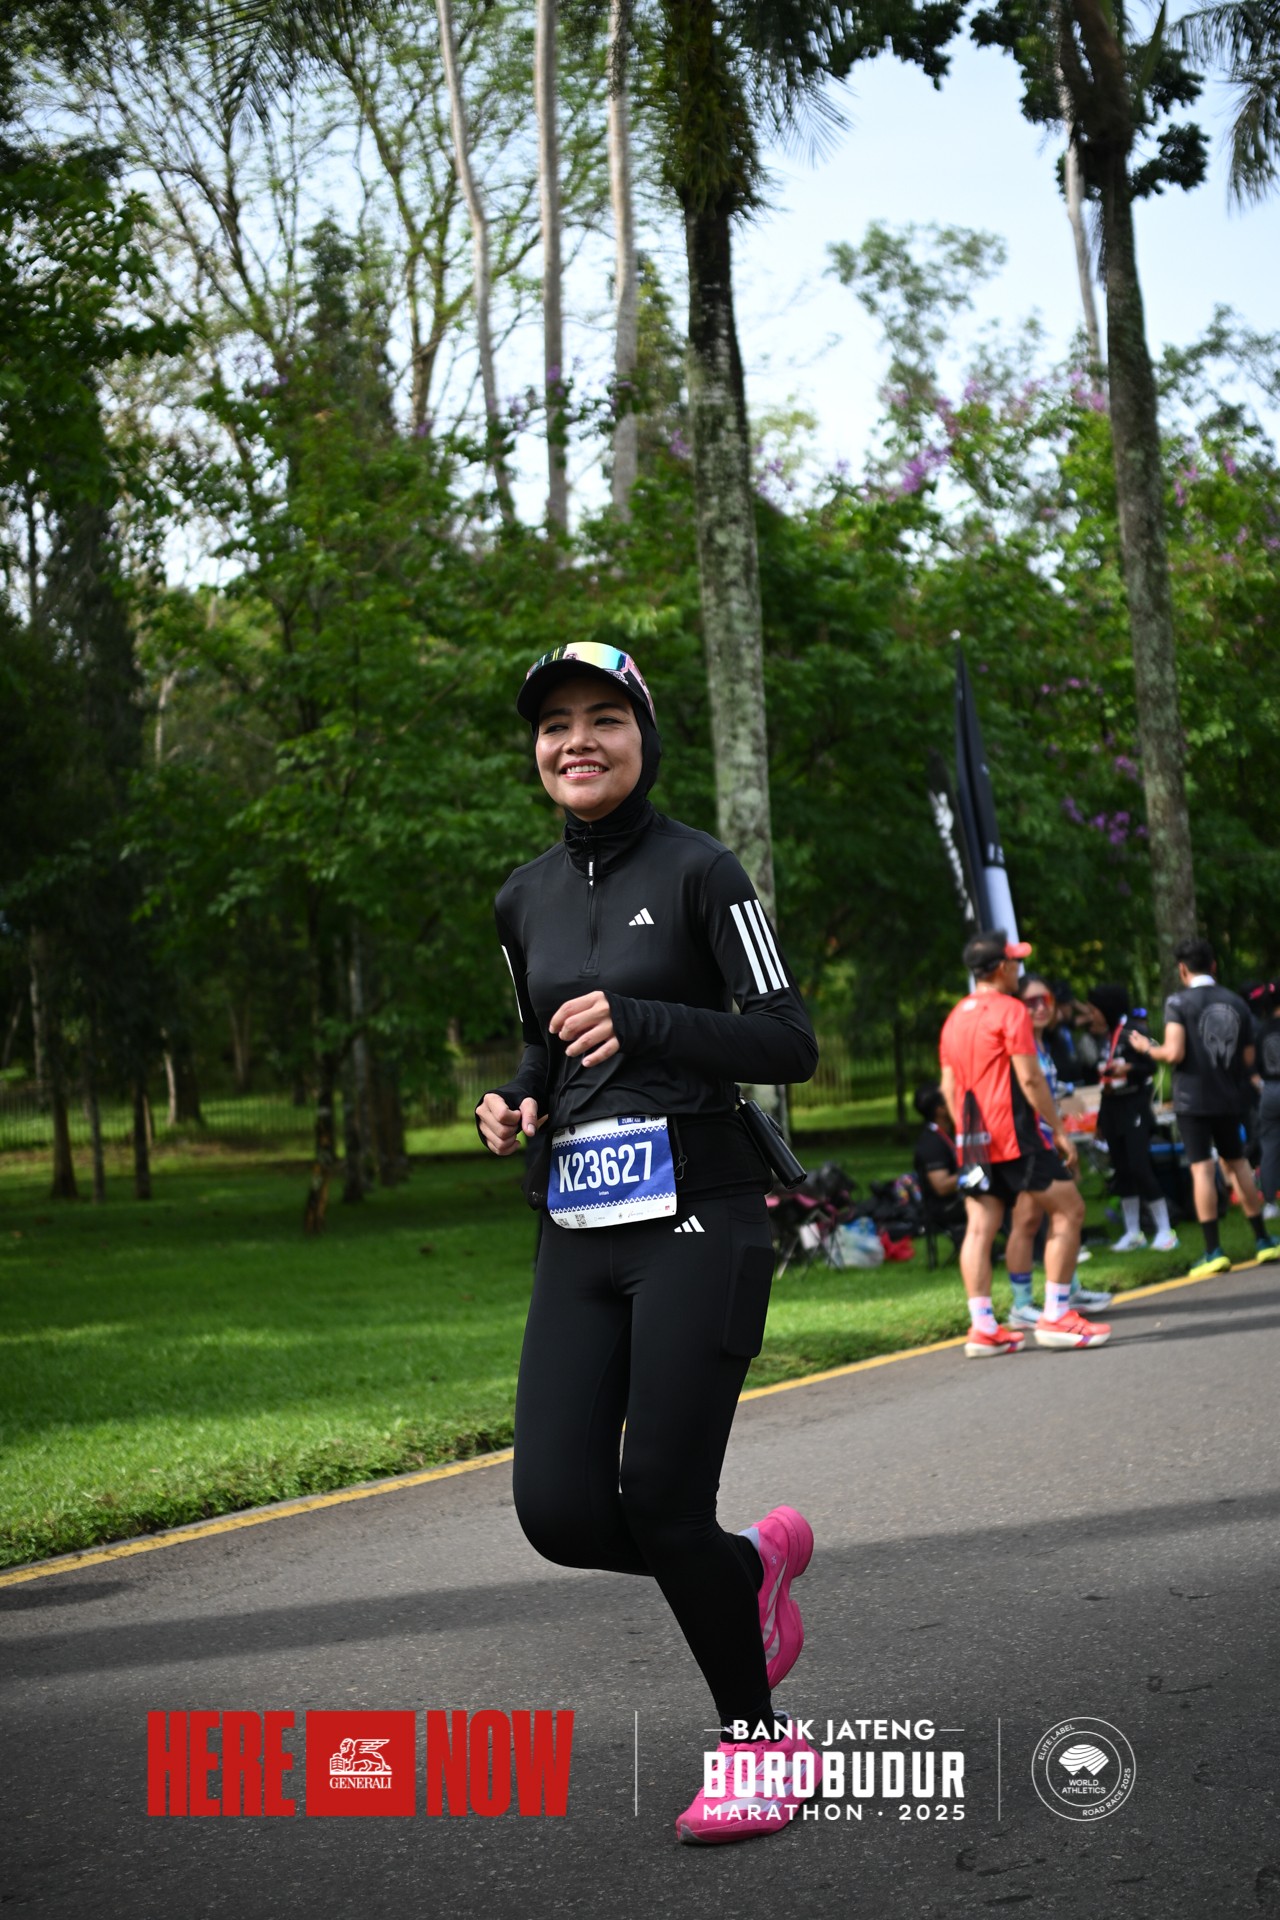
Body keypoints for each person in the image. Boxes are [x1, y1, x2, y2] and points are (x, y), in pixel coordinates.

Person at [474, 642, 821, 1846]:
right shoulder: (520, 897)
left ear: (643, 736)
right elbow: (541, 1042)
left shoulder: (701, 872)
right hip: (577, 1224)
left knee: (662, 1498)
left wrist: (647, 1020)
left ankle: (760, 1745)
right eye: (554, 724)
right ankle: (746, 1572)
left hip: (698, 1216)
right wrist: (512, 1099)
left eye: (603, 718)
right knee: (561, 1513)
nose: (576, 740)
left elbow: (787, 1042)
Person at [939, 930, 1110, 1356]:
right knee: (1070, 1209)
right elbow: (1031, 1079)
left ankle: (983, 1327)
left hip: (973, 1139)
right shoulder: (1011, 1010)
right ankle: (1056, 1314)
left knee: (980, 1227)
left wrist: (966, 1133)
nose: (1019, 968)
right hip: (1015, 1135)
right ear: (1001, 967)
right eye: (1015, 961)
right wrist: (1060, 1131)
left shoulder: (955, 1017)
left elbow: (948, 1088)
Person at [1127, 938, 1280, 1278]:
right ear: (1214, 966)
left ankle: (1213, 1250)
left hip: (1192, 1099)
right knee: (1237, 1162)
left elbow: (1174, 1053)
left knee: (1201, 1169)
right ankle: (1263, 1239)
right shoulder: (1235, 1001)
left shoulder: (1178, 1002)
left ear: (1182, 969)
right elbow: (1248, 1057)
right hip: (1229, 1095)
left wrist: (1146, 1048)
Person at [1009, 974, 1112, 1323]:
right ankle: (1027, 1304)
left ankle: (1065, 1291)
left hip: (1045, 1140)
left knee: (1042, 1217)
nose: (1041, 1007)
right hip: (1030, 1143)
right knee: (1036, 1219)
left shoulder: (1042, 1043)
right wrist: (1056, 1133)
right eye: (1031, 1002)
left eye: (1046, 1000)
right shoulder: (1020, 1046)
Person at [1086, 983, 1179, 1254]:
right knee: (1122, 1171)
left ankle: (1165, 1230)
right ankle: (1132, 1231)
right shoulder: (1104, 1037)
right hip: (1112, 1109)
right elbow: (1104, 1080)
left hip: (1134, 1108)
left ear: (1107, 1008)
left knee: (1140, 1167)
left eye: (1094, 1010)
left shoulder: (1132, 1033)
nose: (1091, 1015)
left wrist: (1128, 1068)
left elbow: (1149, 1066)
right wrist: (1100, 1120)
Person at [912, 1083, 966, 1244]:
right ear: (940, 1109)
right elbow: (941, 1186)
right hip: (945, 1207)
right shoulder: (931, 1143)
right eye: (952, 1097)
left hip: (958, 1199)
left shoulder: (946, 1134)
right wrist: (977, 1172)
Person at [1248, 980, 1280, 1211]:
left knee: (1269, 1147)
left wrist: (1263, 1087)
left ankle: (1269, 1202)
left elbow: (1252, 1068)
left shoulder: (1262, 1030)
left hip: (1269, 1090)